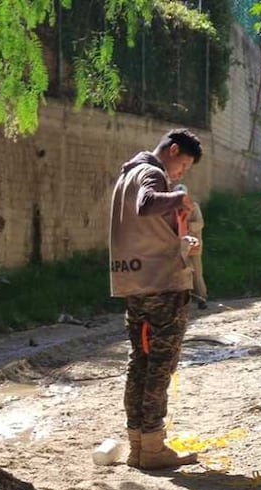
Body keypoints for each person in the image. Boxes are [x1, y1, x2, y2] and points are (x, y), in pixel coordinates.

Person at [108, 129, 202, 470]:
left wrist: (183, 240)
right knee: (160, 365)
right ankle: (153, 446)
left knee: (140, 363)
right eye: (184, 164)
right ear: (173, 150)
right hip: (162, 283)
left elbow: (147, 227)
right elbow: (146, 205)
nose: (181, 174)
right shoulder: (151, 174)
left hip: (134, 282)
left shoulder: (127, 174)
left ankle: (137, 444)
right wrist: (179, 198)